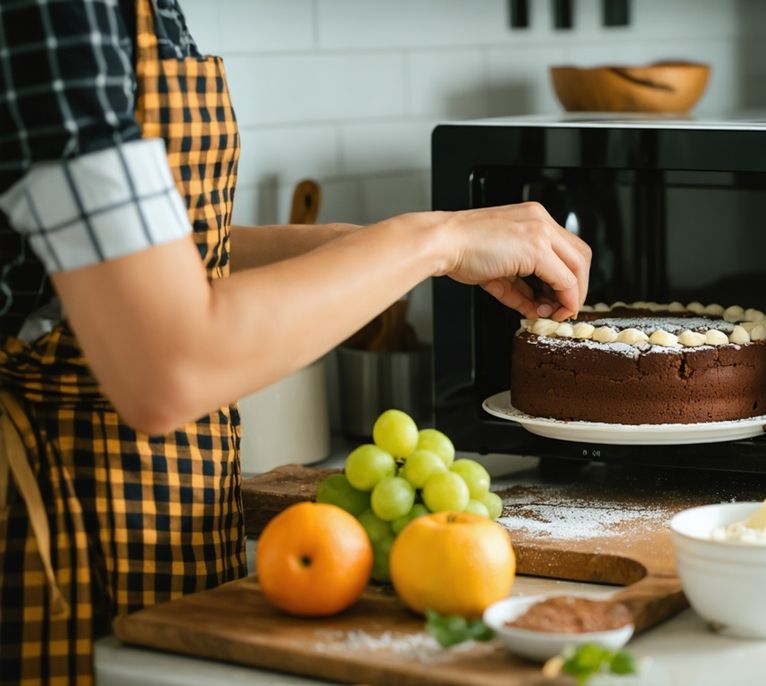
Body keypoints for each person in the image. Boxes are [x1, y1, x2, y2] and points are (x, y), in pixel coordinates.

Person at [0, 1, 590, 682]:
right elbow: (166, 366)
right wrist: (435, 241)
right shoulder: (55, 13)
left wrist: (371, 249)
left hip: (159, 502)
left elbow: (136, 257)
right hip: (60, 522)